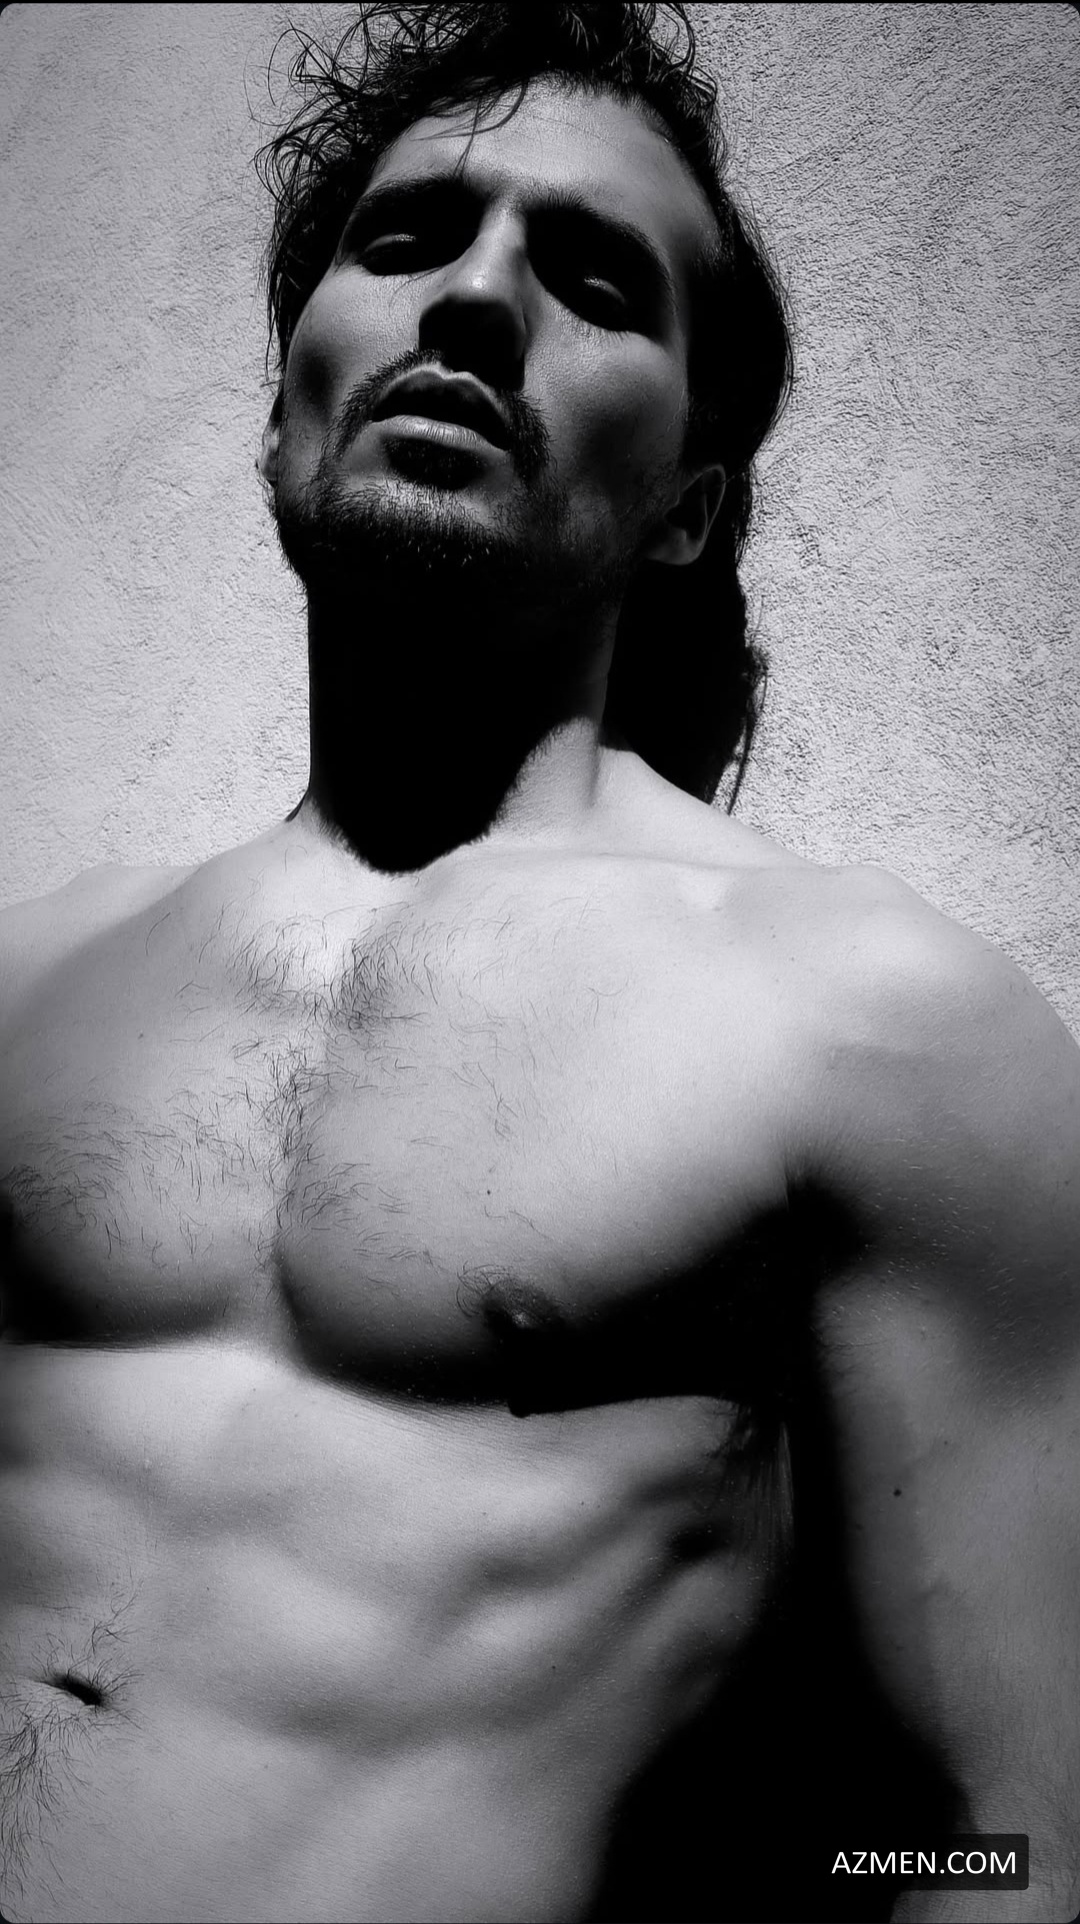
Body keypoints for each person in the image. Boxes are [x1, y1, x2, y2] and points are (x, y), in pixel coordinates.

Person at [1, 6, 1077, 1922]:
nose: (476, 299)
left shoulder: (875, 1027)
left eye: (591, 279)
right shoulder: (30, 978)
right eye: (409, 238)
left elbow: (1007, 1833)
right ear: (282, 415)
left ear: (689, 508)